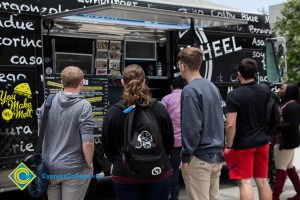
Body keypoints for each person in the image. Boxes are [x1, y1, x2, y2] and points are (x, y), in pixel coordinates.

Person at [102, 64, 174, 200]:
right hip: (157, 172)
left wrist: (118, 160)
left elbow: (107, 147)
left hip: (124, 175)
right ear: (145, 81)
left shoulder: (114, 112)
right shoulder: (159, 109)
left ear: (122, 82)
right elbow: (168, 142)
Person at [38, 66, 95, 200]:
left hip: (50, 168)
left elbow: (41, 135)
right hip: (74, 169)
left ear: (62, 82)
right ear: (82, 82)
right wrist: (89, 164)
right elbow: (87, 142)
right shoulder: (84, 105)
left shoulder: (47, 103)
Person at [178, 47, 224, 200]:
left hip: (199, 157)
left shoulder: (190, 90)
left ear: (183, 66)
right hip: (216, 156)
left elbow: (192, 129)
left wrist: (185, 157)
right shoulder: (212, 87)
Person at [225, 58, 272, 200]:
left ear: (239, 74)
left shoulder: (234, 95)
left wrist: (229, 145)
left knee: (245, 182)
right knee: (263, 181)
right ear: (255, 73)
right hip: (263, 141)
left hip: (243, 144)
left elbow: (231, 124)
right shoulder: (265, 92)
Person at [272, 83, 300, 200]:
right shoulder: (289, 104)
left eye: (282, 88)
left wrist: (277, 125)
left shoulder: (292, 105)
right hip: (287, 141)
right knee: (289, 168)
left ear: (289, 91)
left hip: (285, 142)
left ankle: (275, 196)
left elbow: (293, 124)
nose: (279, 90)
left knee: (281, 169)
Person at [161, 76, 185, 200]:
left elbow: (160, 119)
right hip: (188, 141)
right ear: (183, 86)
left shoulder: (166, 99)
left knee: (172, 168)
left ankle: (174, 195)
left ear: (171, 87)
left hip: (173, 142)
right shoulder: (188, 97)